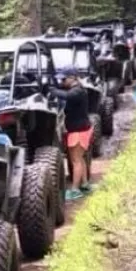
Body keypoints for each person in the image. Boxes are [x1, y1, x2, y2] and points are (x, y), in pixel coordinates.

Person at [52, 67, 93, 200]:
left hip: (78, 131)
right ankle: (85, 184)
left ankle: (75, 189)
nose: (62, 82)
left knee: (75, 161)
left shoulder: (78, 91)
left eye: (64, 79)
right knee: (80, 158)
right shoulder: (78, 89)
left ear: (73, 78)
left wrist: (53, 91)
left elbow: (67, 95)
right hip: (81, 129)